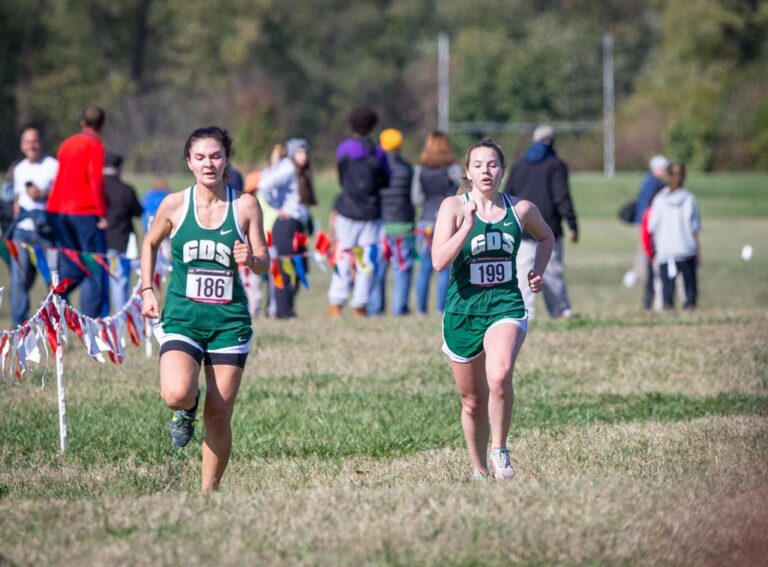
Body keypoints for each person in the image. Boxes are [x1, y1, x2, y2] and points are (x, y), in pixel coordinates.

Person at [140, 126, 269, 494]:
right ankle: (186, 408)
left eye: (215, 156)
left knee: (220, 413)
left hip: (228, 322)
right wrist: (148, 289)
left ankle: (207, 493)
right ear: (189, 162)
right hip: (182, 317)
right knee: (177, 393)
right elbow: (149, 243)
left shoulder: (244, 205)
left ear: (226, 159)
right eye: (200, 157)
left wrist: (252, 259)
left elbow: (264, 260)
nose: (209, 163)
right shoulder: (174, 205)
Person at [432, 138, 553, 481]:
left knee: (499, 376)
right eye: (479, 165)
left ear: (502, 170)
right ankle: (479, 468)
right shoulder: (453, 208)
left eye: (493, 164)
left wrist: (537, 272)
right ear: (468, 172)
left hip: (506, 305)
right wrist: (467, 228)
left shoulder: (521, 210)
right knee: (472, 400)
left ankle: (500, 450)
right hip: (463, 312)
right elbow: (439, 261)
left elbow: (546, 237)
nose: (486, 171)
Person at [503, 124, 578, 319]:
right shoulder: (556, 165)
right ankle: (560, 311)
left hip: (522, 227)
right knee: (552, 271)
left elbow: (508, 194)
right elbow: (561, 196)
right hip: (548, 227)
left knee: (522, 271)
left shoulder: (519, 165)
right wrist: (572, 223)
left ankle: (523, 311)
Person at [46, 105, 108, 317]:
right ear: (101, 125)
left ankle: (54, 302)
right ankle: (89, 321)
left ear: (83, 122)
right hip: (83, 212)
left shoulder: (67, 143)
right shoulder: (95, 145)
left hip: (58, 211)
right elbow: (95, 180)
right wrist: (101, 212)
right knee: (92, 267)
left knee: (70, 263)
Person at [328, 106, 389, 317]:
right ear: (372, 126)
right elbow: (386, 180)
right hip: (371, 215)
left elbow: (341, 177)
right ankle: (360, 306)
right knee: (366, 262)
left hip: (346, 211)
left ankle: (336, 303)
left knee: (342, 257)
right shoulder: (378, 152)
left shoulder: (343, 149)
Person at [258, 138, 315, 318]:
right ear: (291, 154)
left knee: (300, 267)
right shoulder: (287, 168)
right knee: (284, 267)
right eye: (299, 152)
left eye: (305, 152)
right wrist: (277, 208)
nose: (303, 156)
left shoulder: (300, 171)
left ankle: (287, 307)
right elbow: (264, 187)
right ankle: (283, 310)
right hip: (285, 224)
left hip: (297, 223)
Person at [8, 126, 58, 327]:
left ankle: (56, 322)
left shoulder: (53, 165)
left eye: (34, 141)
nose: (31, 145)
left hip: (46, 230)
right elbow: (18, 199)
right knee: (19, 279)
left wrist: (43, 194)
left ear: (41, 142)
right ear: (22, 145)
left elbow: (61, 194)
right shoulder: (19, 169)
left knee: (53, 278)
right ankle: (18, 324)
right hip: (22, 231)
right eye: (27, 142)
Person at [411, 131, 463, 315]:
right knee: (445, 266)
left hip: (425, 221)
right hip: (446, 220)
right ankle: (441, 309)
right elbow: (462, 190)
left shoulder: (420, 169)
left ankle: (421, 310)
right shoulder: (452, 168)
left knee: (424, 266)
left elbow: (416, 198)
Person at [368, 128, 415, 316]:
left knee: (378, 267)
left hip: (380, 224)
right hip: (403, 224)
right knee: (402, 268)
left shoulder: (376, 169)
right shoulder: (407, 169)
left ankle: (375, 308)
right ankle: (399, 308)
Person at [648, 162, 701, 310]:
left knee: (667, 289)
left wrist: (654, 249)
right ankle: (690, 311)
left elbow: (652, 226)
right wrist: (698, 251)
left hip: (665, 251)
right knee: (690, 289)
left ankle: (668, 311)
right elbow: (694, 228)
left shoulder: (659, 200)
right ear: (684, 177)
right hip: (686, 250)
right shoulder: (689, 199)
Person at [104, 152, 143, 310]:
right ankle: (119, 320)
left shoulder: (96, 189)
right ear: (119, 168)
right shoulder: (127, 190)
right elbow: (138, 212)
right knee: (119, 283)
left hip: (98, 243)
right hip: (121, 241)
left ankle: (100, 318)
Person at [624, 155, 669, 289]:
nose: (666, 171)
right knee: (645, 249)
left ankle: (641, 275)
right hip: (647, 222)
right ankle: (641, 276)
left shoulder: (651, 181)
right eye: (664, 168)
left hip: (645, 221)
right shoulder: (654, 183)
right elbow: (647, 205)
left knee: (644, 249)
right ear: (656, 168)